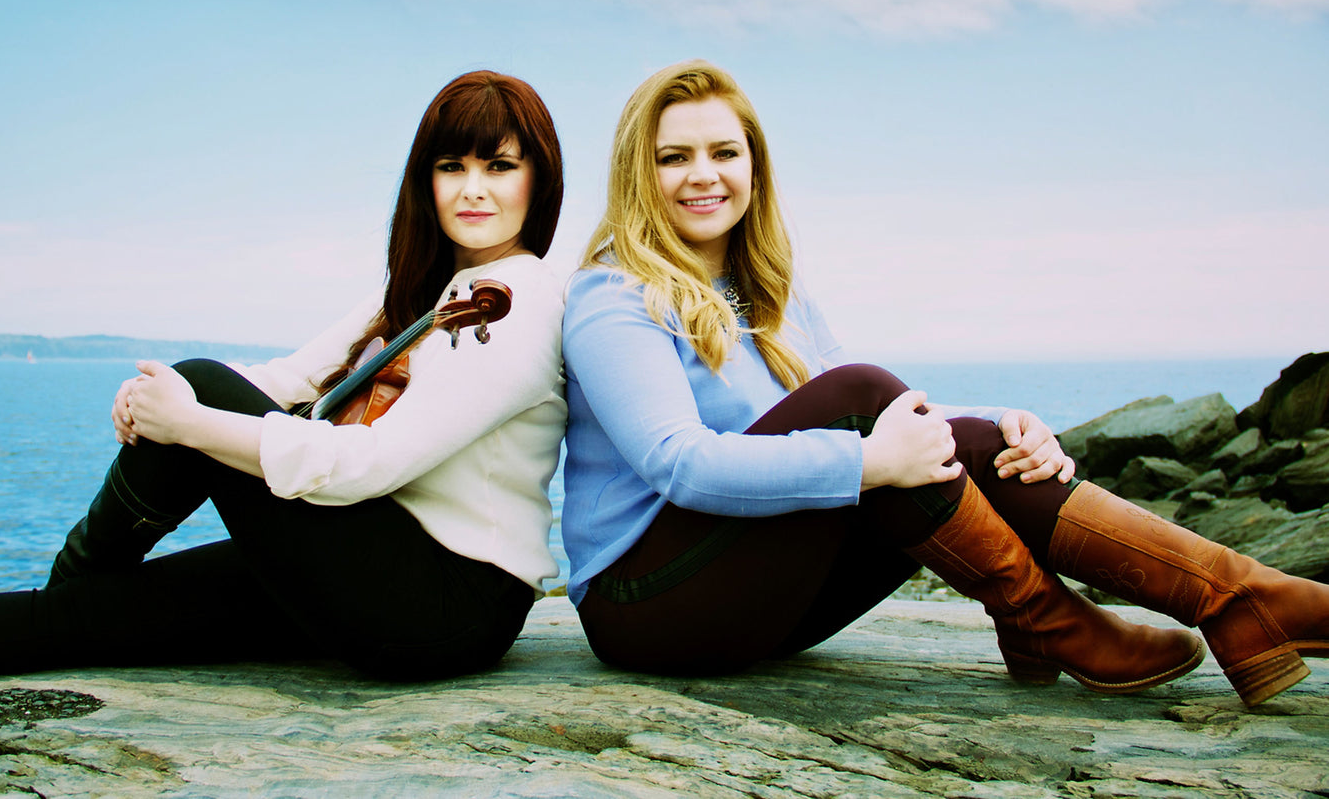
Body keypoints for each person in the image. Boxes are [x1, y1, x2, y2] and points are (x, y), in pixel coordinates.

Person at [560, 59, 1328, 707]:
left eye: (724, 152)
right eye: (673, 157)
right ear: (639, 171)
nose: (703, 175)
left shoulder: (773, 292)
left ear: (753, 164)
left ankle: (1236, 598)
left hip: (762, 596)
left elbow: (881, 419)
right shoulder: (612, 297)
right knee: (867, 406)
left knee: (939, 432)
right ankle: (1050, 618)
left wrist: (1001, 424)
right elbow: (682, 463)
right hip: (647, 605)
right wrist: (868, 461)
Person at [0, 70, 568, 685]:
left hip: (443, 600)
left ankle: (72, 577)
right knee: (98, 620)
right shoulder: (421, 289)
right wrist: (153, 401)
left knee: (202, 383)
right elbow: (285, 377)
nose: (474, 189)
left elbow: (365, 464)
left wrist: (186, 418)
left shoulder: (521, 300)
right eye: (452, 167)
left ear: (538, 179)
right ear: (425, 181)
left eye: (499, 166)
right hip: (365, 559)